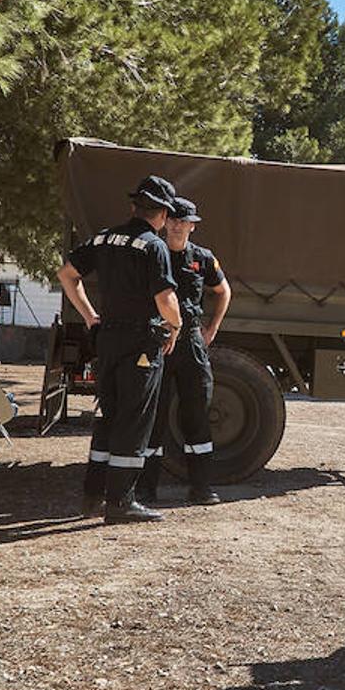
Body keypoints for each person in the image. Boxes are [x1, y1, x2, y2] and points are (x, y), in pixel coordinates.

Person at [57, 176, 183, 524]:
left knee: (107, 415)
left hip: (108, 337)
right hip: (140, 340)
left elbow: (67, 274)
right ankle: (121, 502)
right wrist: (176, 325)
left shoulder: (103, 238)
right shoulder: (153, 246)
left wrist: (90, 316)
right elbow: (165, 299)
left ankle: (92, 494)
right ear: (162, 214)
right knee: (134, 419)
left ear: (133, 207)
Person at [137, 196, 232, 506]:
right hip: (160, 341)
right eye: (174, 219)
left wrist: (211, 330)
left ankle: (201, 488)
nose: (178, 225)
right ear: (165, 221)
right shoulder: (153, 252)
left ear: (193, 226)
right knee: (155, 416)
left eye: (184, 221)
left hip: (191, 343)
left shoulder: (203, 258)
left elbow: (223, 291)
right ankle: (146, 490)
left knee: (197, 415)